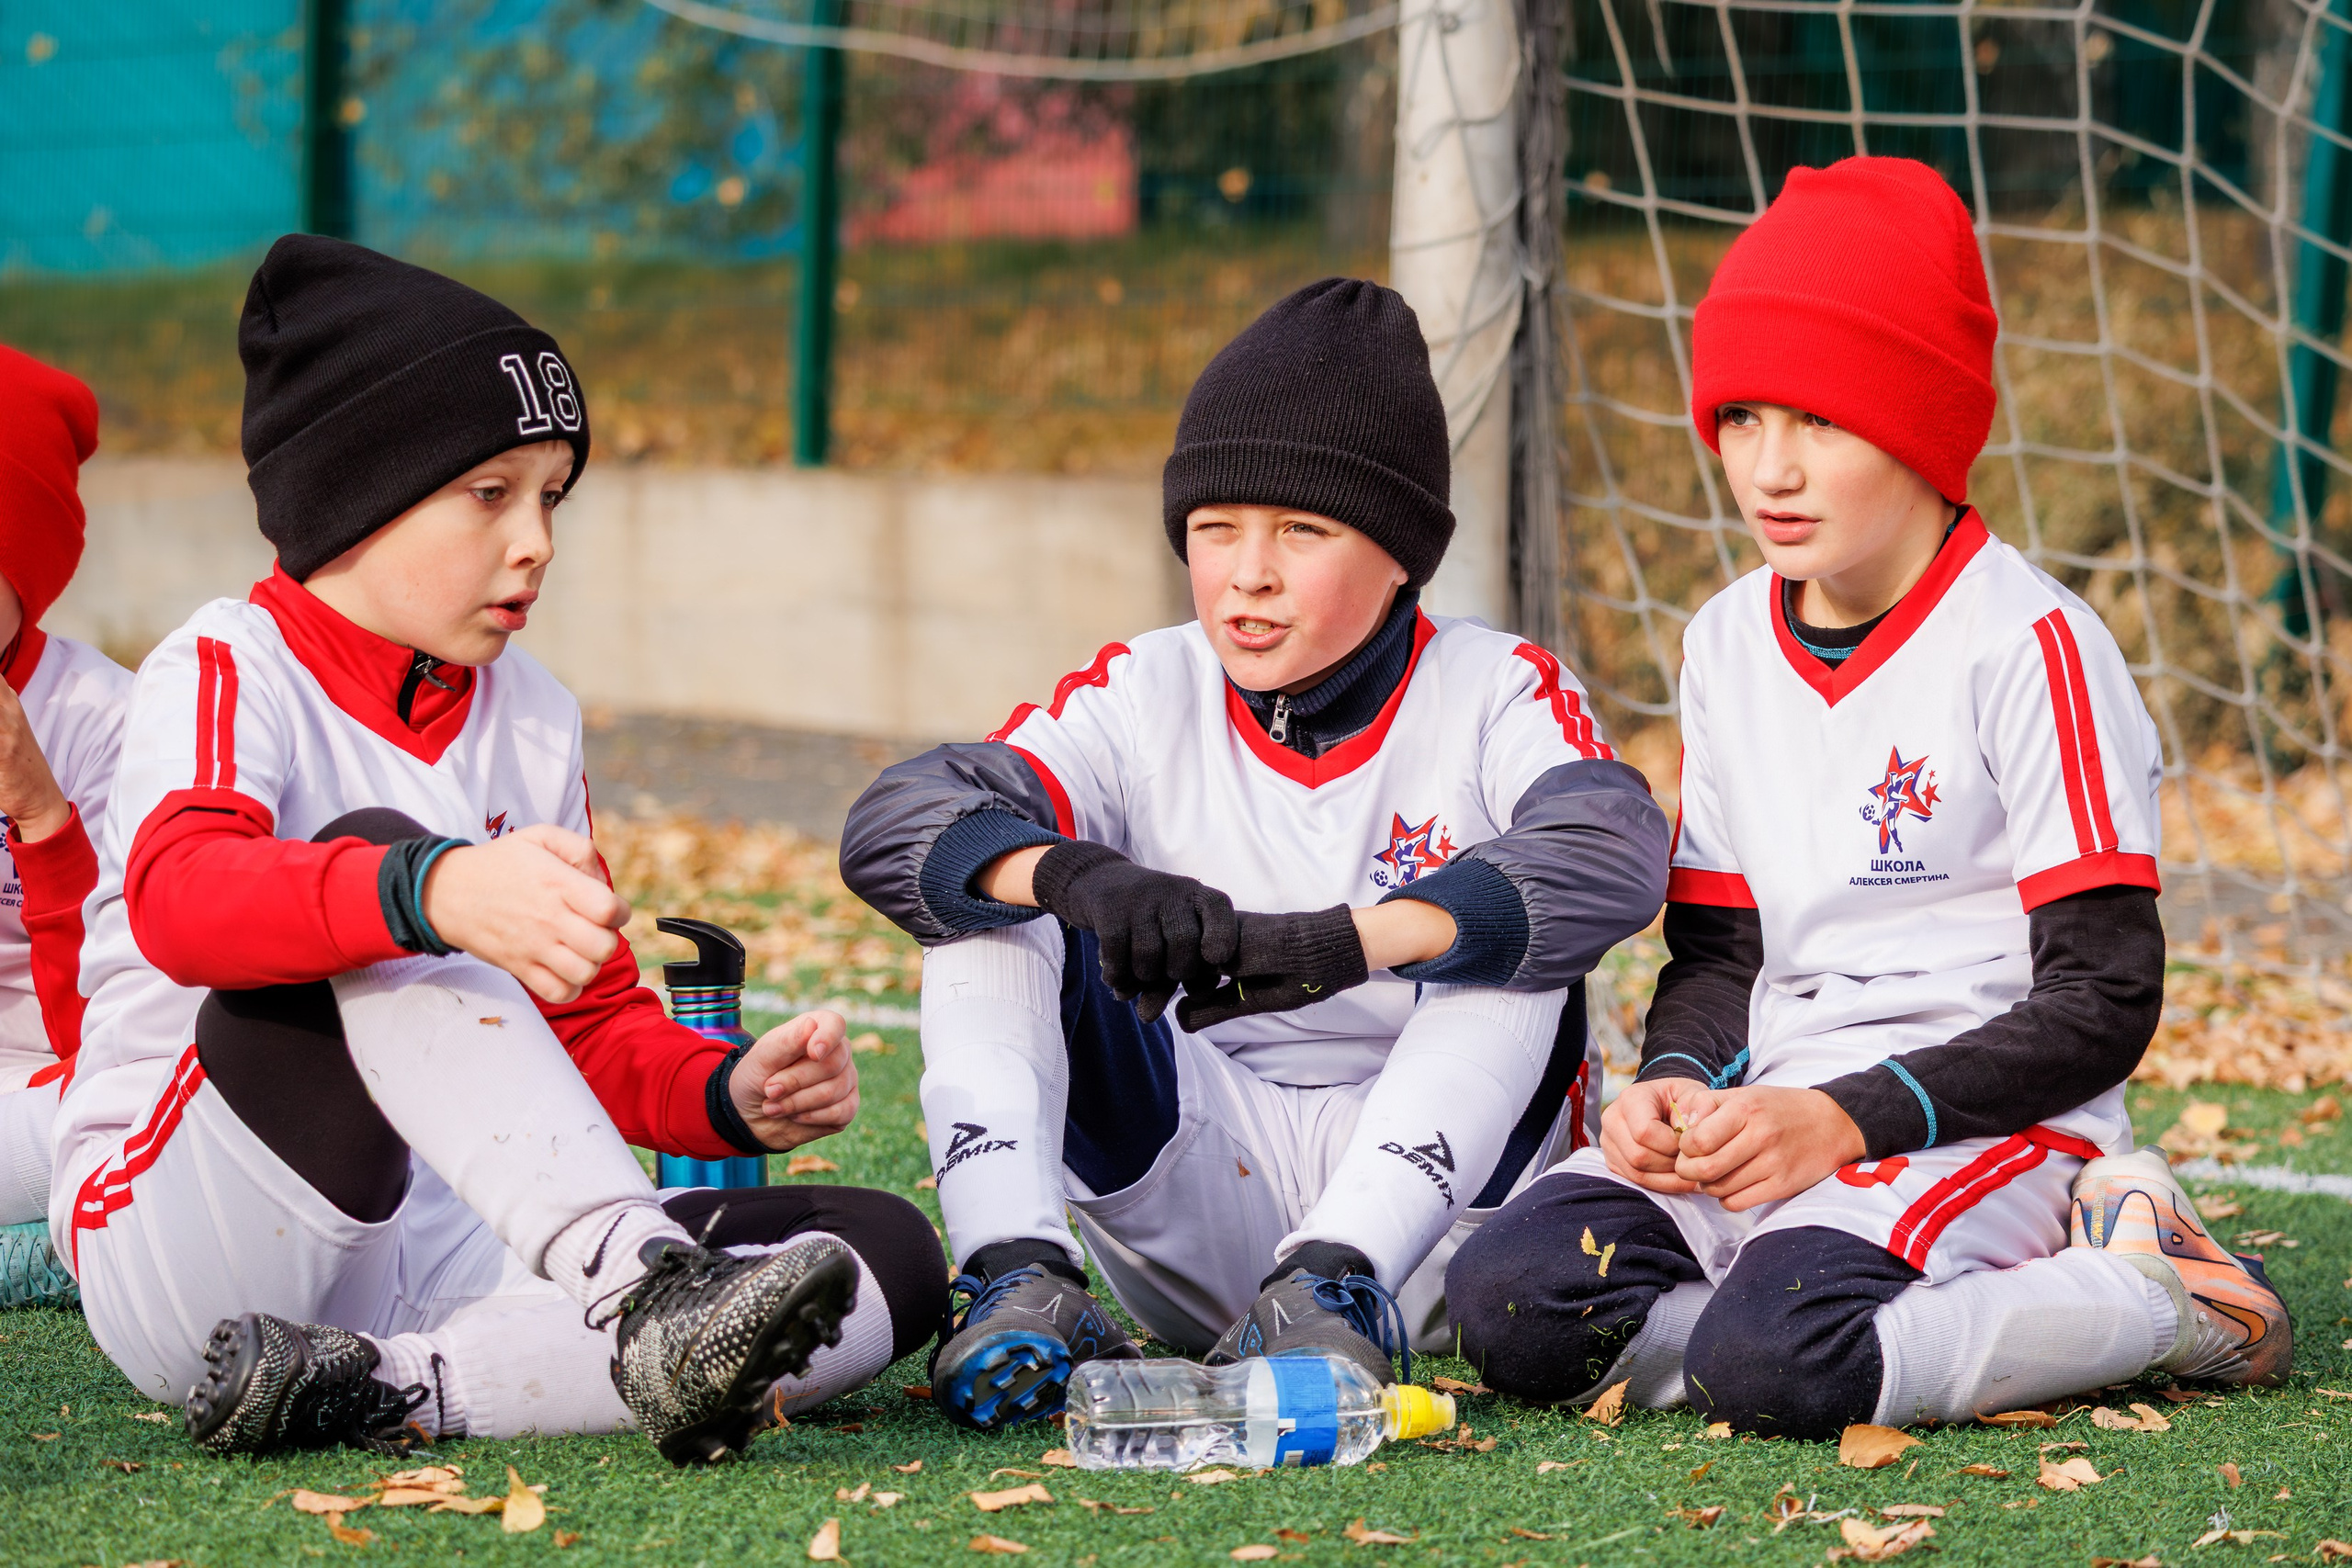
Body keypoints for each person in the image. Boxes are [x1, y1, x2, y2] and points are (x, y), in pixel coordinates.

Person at [54, 237, 944, 1465]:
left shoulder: (532, 711)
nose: (537, 540)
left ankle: (396, 1387)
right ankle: (642, 1290)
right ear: (358, 489)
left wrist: (723, 1093)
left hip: (448, 1248)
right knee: (384, 872)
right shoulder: (225, 663)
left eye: (552, 496)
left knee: (884, 1253)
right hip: (192, 1244)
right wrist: (435, 888)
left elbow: (586, 1021)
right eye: (490, 493)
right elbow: (179, 899)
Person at [1445, 157, 2290, 1436]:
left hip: (1986, 1116)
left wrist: (1846, 1119)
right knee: (1508, 1300)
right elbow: (1722, 952)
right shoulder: (1725, 640)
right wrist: (1674, 1082)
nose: (1769, 469)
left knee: (1782, 1358)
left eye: (1820, 422)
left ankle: (2159, 1294)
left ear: (1920, 423)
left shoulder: (2032, 646)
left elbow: (2104, 1000)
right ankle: (1779, 1332)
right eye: (1741, 418)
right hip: (1780, 1102)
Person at [842, 278, 1669, 1430]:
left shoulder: (1494, 686)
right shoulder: (1144, 687)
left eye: (1301, 531)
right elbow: (895, 818)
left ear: (1402, 554)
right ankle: (1015, 1275)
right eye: (1215, 527)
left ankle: (1335, 1278)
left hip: (1439, 1241)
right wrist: (1078, 875)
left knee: (1514, 933)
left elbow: (1612, 852)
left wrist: (1350, 943)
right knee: (986, 892)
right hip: (1197, 1199)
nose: (1248, 573)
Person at [0, 346, 134, 1309]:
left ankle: (64, 1236)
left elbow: (116, 1035)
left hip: (60, 1086)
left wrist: (42, 815)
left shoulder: (108, 720)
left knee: (151, 1116)